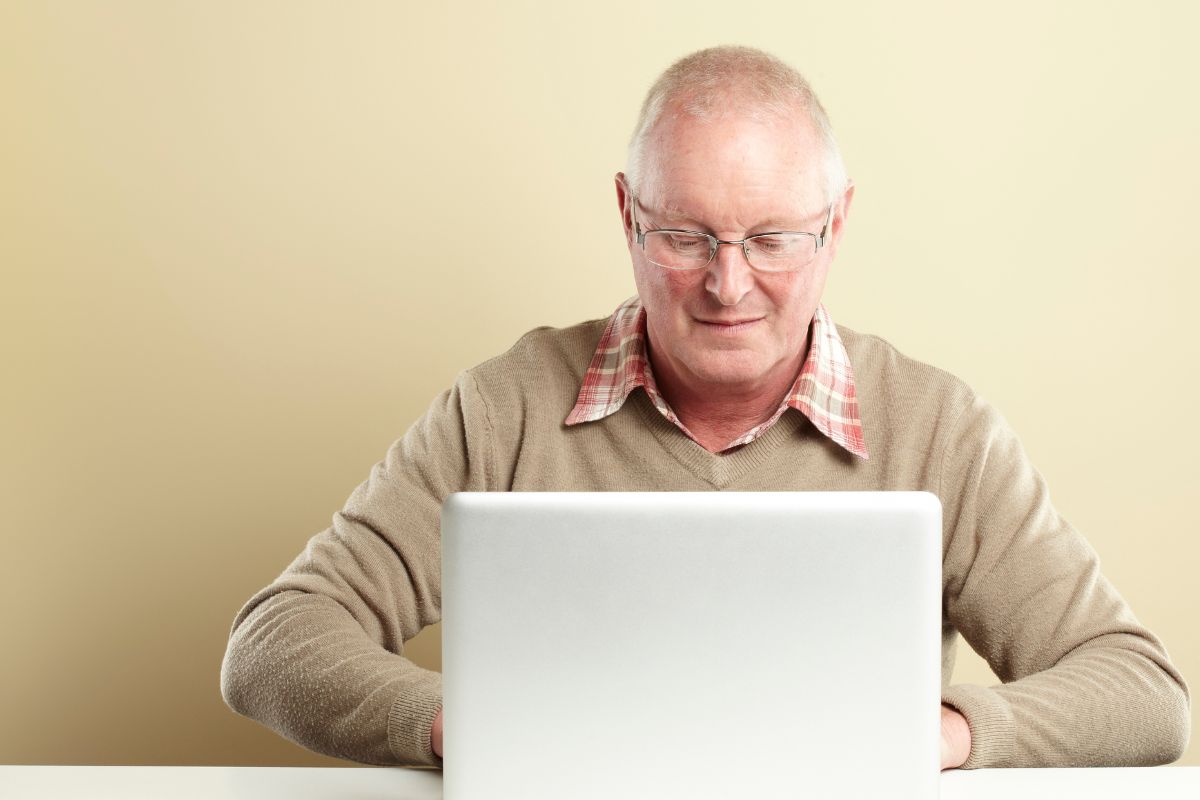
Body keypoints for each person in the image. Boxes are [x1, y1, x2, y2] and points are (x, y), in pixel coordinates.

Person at [219, 45, 1190, 771]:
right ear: (626, 215)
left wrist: (947, 728)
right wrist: (455, 722)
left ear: (836, 223)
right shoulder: (503, 407)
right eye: (684, 234)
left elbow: (1146, 694)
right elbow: (273, 639)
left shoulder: (940, 429)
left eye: (773, 237)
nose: (729, 284)